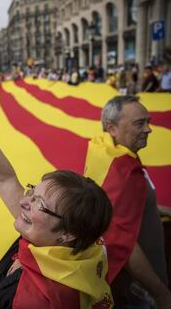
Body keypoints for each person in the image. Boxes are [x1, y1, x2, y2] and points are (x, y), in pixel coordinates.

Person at [0, 86, 114, 308]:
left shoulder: (30, 300)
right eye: (32, 192)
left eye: (37, 203)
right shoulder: (75, 247)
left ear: (67, 233)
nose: (22, 201)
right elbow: (5, 179)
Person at [84, 95, 171, 308]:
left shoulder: (106, 152)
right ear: (111, 128)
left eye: (148, 121)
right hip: (140, 286)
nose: (149, 129)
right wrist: (161, 293)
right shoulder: (123, 173)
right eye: (139, 123)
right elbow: (123, 242)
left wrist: (156, 208)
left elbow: (116, 207)